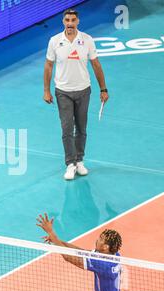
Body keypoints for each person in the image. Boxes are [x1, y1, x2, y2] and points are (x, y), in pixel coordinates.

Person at [43, 8, 109, 180]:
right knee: (66, 129)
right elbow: (49, 66)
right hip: (63, 92)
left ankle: (79, 160)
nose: (70, 23)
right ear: (63, 22)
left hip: (83, 91)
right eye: (67, 20)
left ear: (78, 22)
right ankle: (70, 164)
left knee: (81, 128)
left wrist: (103, 89)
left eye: (73, 20)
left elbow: (96, 65)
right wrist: (46, 90)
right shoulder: (55, 41)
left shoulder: (87, 40)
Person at [36, 212, 123, 291]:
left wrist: (51, 232)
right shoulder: (114, 255)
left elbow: (68, 257)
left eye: (101, 239)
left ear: (106, 247)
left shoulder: (102, 264)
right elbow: (82, 252)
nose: (97, 240)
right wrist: (57, 240)